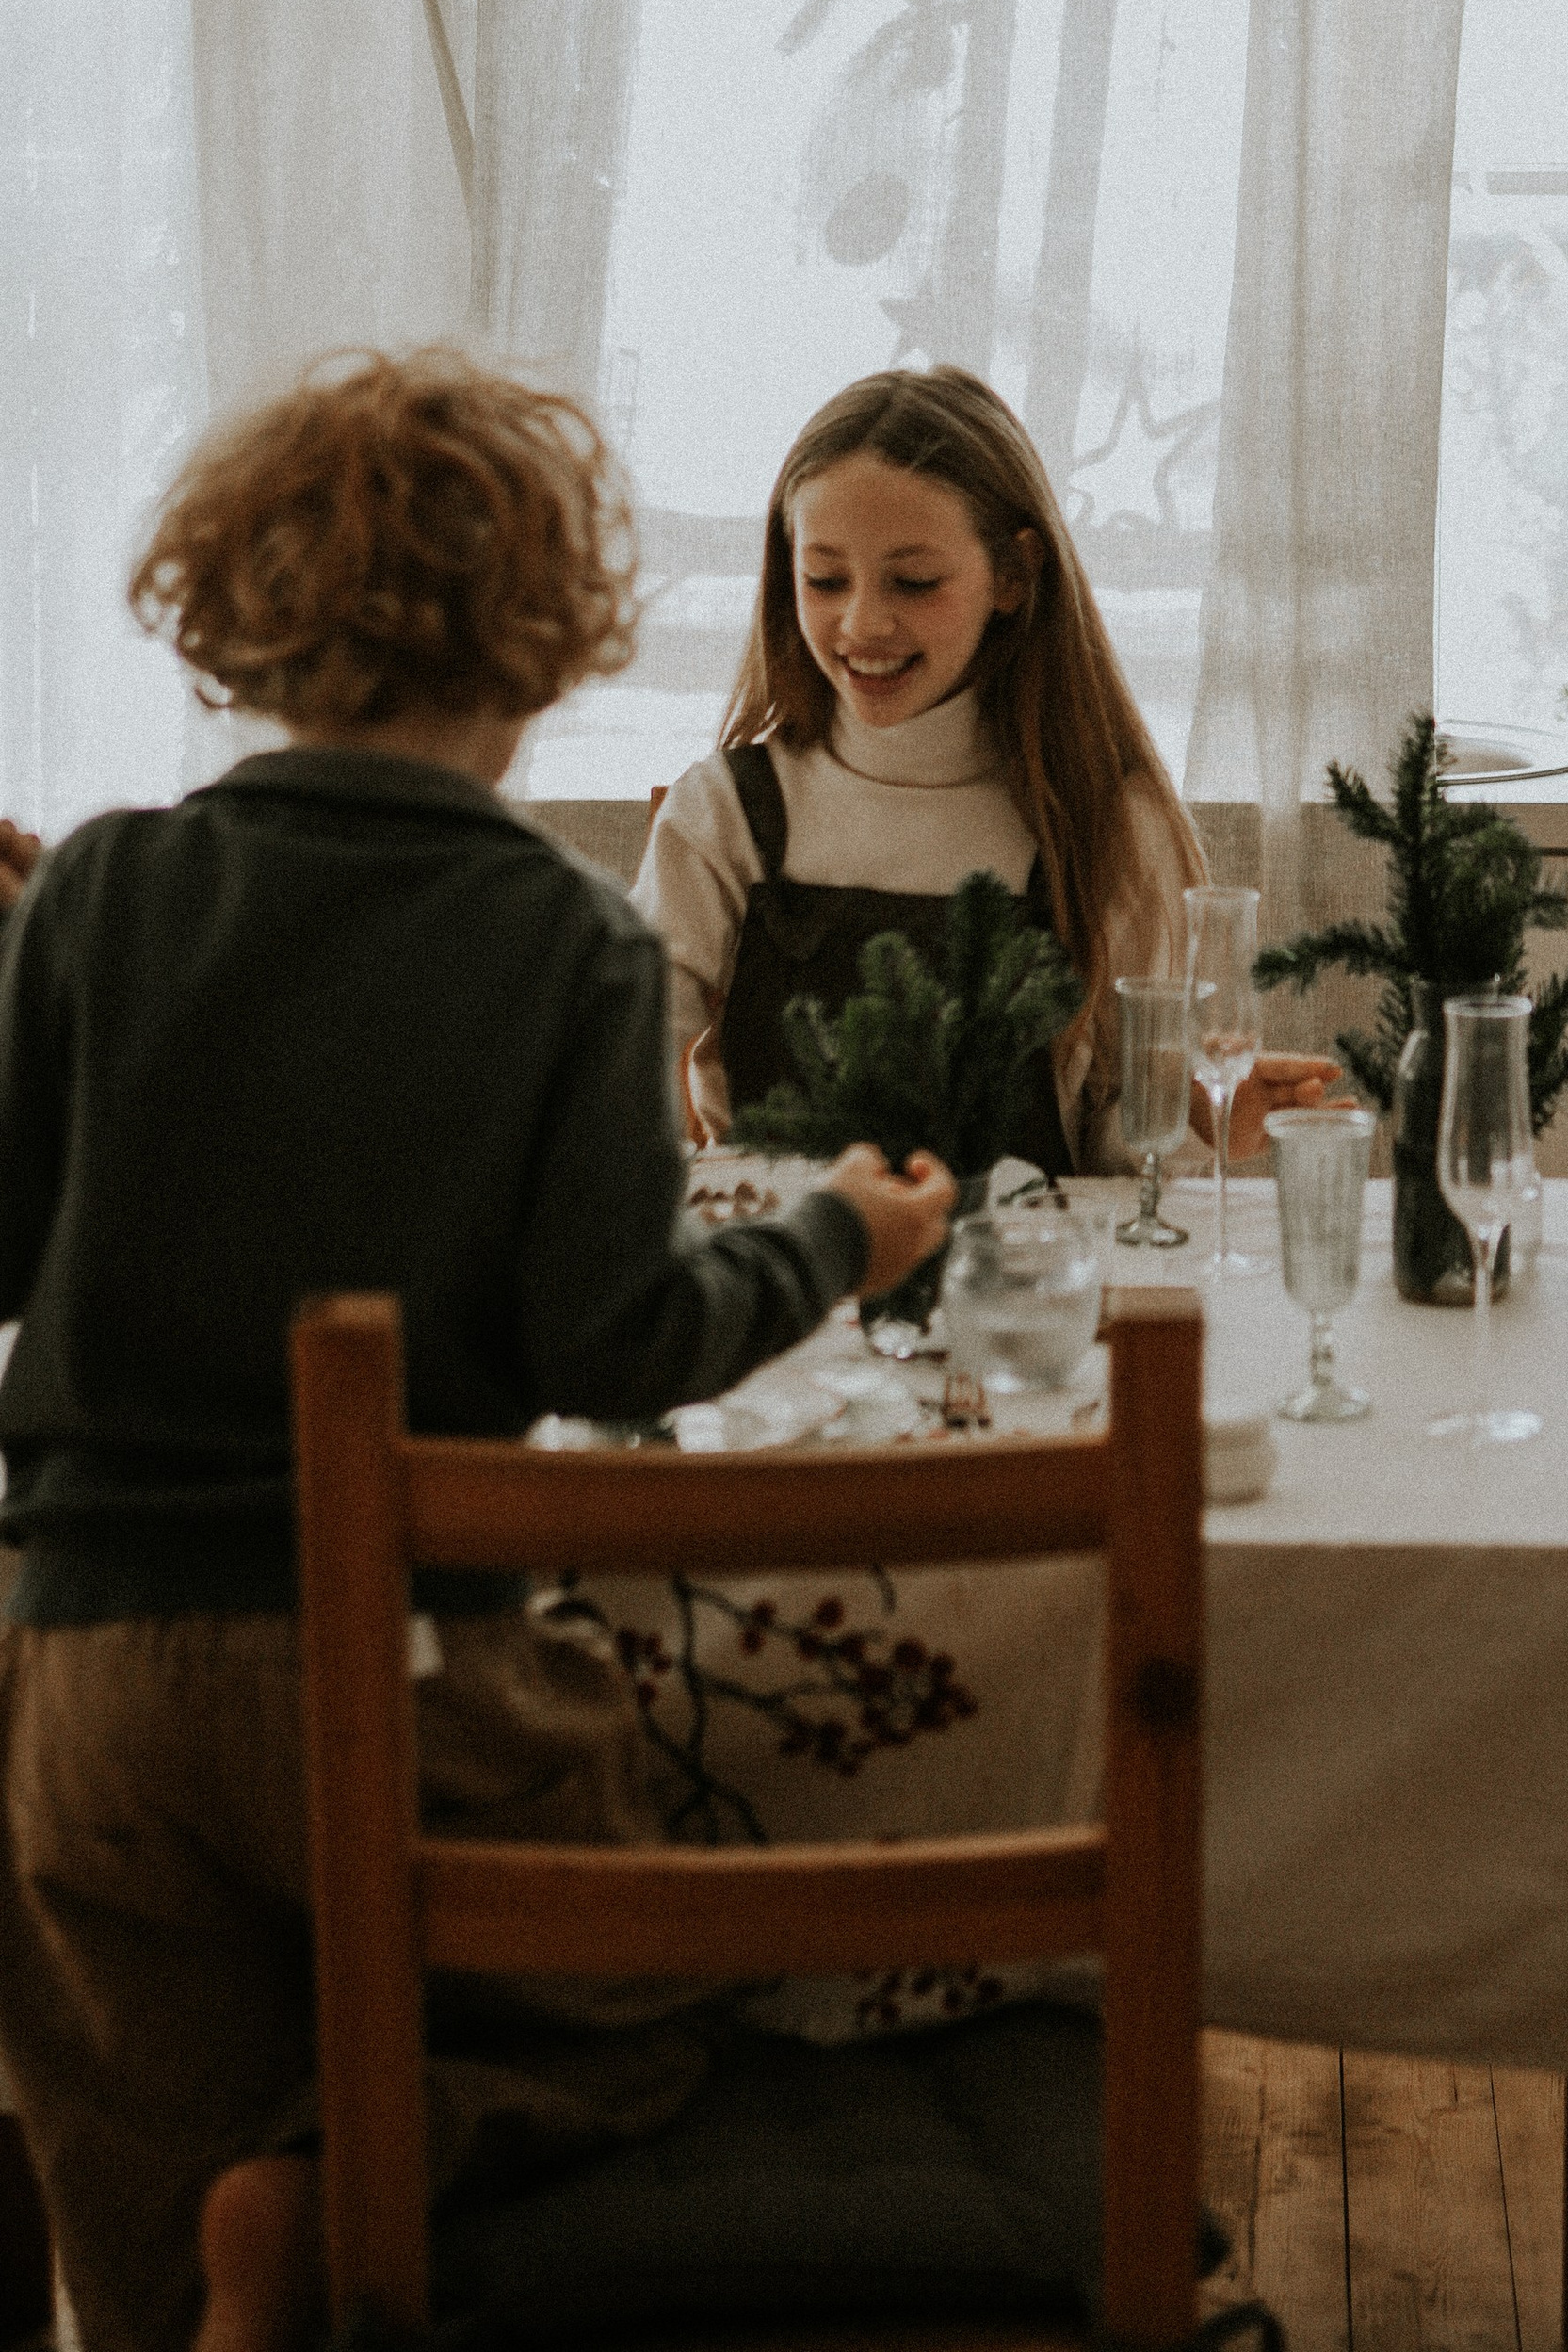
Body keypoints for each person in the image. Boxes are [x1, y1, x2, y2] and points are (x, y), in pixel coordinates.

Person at [0, 349, 955, 2352]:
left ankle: (219, 2259)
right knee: (637, 2010)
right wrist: (831, 1240)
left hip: (89, 1676)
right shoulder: (566, 945)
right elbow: (620, 1347)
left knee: (127, 2135)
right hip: (415, 1671)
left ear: (231, 616)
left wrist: (43, 977)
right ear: (546, 645)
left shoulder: (106, 889)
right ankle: (339, 2189)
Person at [636, 364, 1337, 1177]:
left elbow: (1119, 1148)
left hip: (1017, 1288)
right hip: (788, 1283)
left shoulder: (1106, 823)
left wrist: (1207, 1126)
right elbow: (622, 1075)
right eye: (824, 579)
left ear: (1012, 576)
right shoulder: (723, 814)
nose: (862, 620)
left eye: (915, 581)